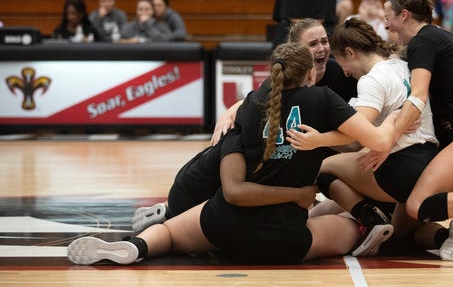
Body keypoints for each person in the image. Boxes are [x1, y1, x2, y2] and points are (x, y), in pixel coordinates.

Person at [69, 43, 399, 266]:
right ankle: (367, 225)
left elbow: (234, 191)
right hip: (283, 239)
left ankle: (136, 247)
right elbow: (375, 142)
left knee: (169, 232)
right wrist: (406, 110)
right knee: (347, 226)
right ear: (310, 73)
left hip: (223, 226)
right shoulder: (323, 99)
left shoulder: (250, 105)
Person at [291, 0, 453, 259]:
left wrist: (385, 140)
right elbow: (448, 152)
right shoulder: (410, 58)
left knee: (329, 170)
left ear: (404, 15)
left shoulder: (419, 44)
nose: (386, 24)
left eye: (389, 17)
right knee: (406, 223)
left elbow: (414, 98)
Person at [131, 19, 359, 232]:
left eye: (324, 41)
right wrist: (230, 113)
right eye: (313, 44)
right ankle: (174, 216)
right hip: (224, 179)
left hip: (309, 152)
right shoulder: (274, 89)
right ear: (295, 51)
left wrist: (324, 140)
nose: (321, 48)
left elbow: (358, 135)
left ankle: (367, 213)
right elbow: (254, 102)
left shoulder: (341, 74)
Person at [292, 18, 453, 260]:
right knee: (399, 236)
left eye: (343, 62)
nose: (345, 71)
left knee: (322, 169)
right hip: (431, 165)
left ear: (350, 52)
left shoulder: (371, 80)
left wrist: (318, 140)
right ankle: (447, 236)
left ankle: (370, 218)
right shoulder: (405, 67)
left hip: (397, 170)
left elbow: (356, 136)